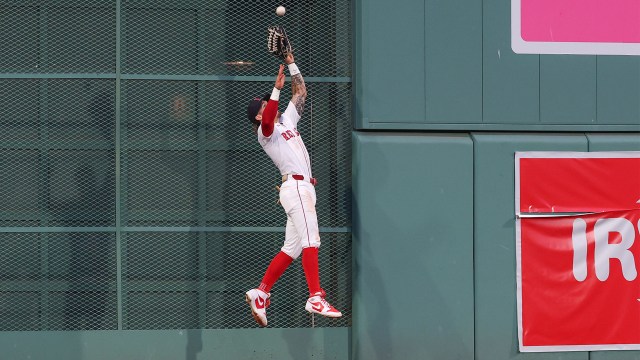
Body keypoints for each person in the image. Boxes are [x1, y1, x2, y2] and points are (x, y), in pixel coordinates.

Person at [244, 53, 342, 327]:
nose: (269, 103)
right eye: (265, 104)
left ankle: (261, 293)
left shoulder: (286, 121)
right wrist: (275, 89)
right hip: (295, 187)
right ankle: (315, 296)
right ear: (261, 112)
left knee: (293, 248)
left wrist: (291, 61)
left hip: (303, 188)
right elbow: (266, 120)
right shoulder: (266, 133)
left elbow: (301, 91)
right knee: (313, 240)